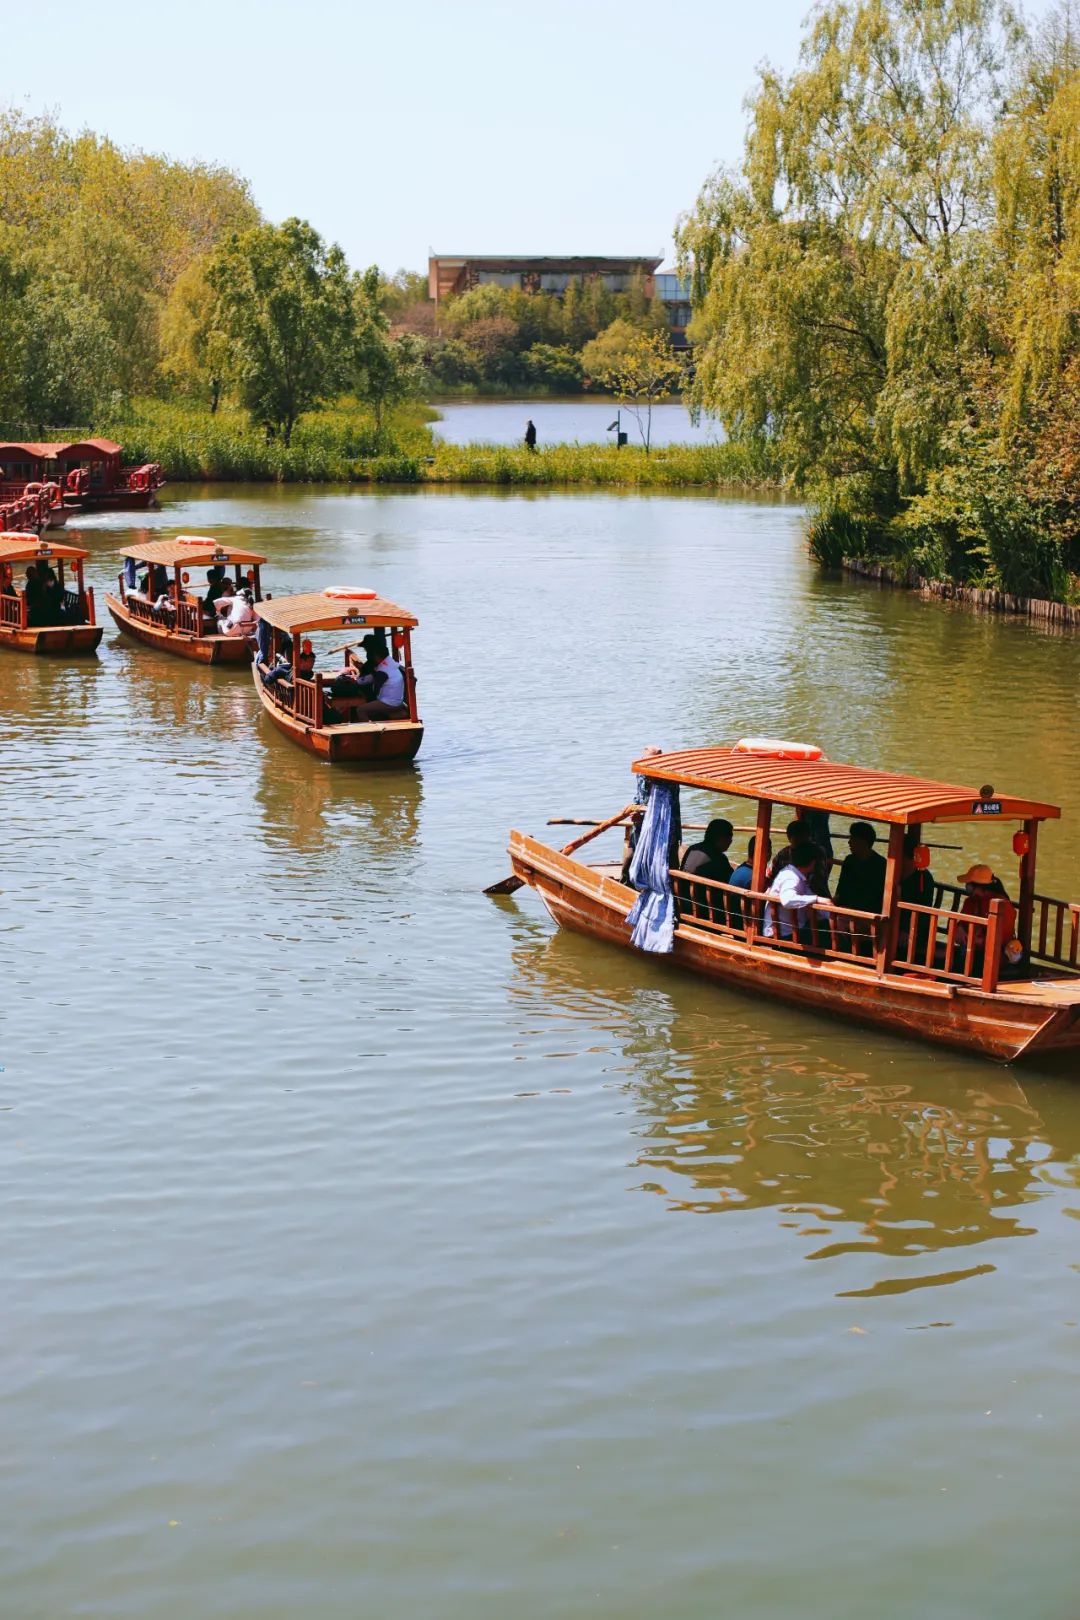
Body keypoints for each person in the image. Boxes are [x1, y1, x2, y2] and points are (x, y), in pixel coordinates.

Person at [834, 821, 887, 954]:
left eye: (853, 838)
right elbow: (841, 891)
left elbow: (879, 897)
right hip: (848, 912)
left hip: (870, 915)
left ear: (864, 842)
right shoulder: (849, 861)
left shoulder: (881, 865)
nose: (849, 842)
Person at [764, 841, 833, 944]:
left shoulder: (796, 875)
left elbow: (809, 895)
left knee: (826, 925)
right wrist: (817, 899)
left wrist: (834, 916)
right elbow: (787, 900)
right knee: (827, 934)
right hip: (783, 934)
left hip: (790, 929)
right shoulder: (791, 878)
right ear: (813, 862)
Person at [678, 818, 734, 924]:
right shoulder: (718, 858)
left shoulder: (693, 848)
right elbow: (732, 883)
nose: (731, 841)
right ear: (721, 838)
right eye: (730, 836)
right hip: (705, 913)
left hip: (685, 905)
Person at [769, 818, 831, 897]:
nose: (801, 846)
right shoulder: (783, 854)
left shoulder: (817, 852)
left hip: (812, 893)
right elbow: (772, 874)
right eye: (797, 840)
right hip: (791, 893)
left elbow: (818, 880)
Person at [898, 833, 935, 964]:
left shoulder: (923, 878)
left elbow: (924, 911)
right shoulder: (895, 872)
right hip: (895, 923)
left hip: (915, 929)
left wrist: (907, 930)